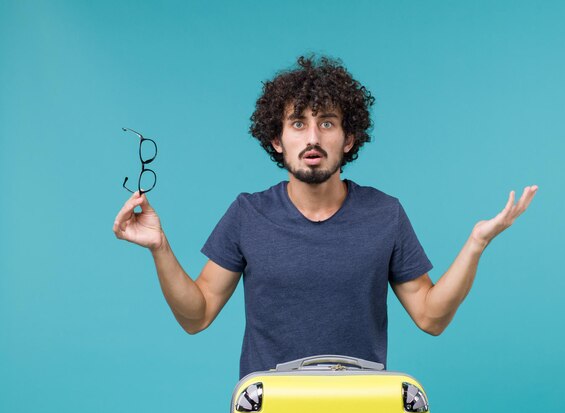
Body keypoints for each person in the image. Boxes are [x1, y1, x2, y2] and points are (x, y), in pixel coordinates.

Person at [112, 55, 538, 379]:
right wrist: (160, 248)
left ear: (349, 138)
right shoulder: (248, 214)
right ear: (276, 139)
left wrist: (476, 243)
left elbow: (431, 317)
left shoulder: (385, 214)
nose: (312, 137)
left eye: (327, 123)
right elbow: (197, 314)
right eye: (297, 123)